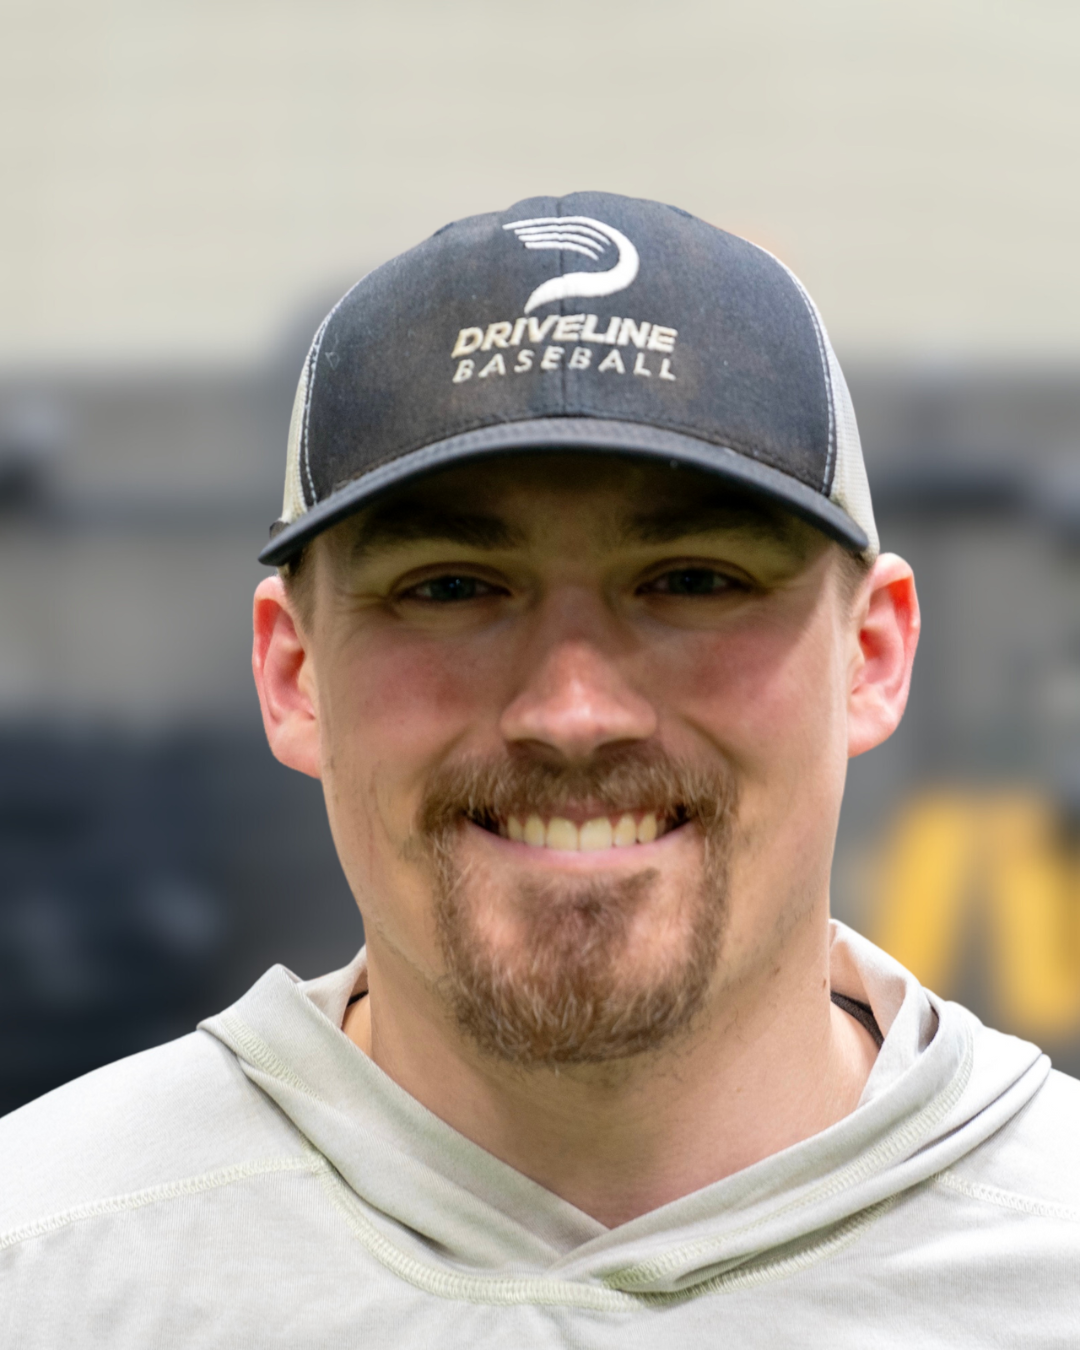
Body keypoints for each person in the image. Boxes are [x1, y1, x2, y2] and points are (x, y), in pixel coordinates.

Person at [2, 192, 1077, 1345]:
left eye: (695, 579)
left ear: (873, 653)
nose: (573, 711)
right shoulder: (49, 1262)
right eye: (452, 588)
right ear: (292, 672)